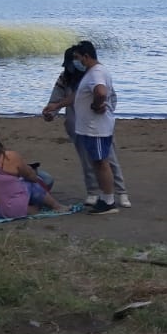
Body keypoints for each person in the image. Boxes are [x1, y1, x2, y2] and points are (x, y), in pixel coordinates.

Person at [42, 47, 130, 207]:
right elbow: (57, 97)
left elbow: (109, 96)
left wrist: (103, 107)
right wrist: (51, 111)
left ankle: (121, 192)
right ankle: (93, 192)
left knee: (109, 159)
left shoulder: (94, 74)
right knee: (88, 160)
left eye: (76, 60)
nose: (74, 65)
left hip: (99, 124)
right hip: (77, 124)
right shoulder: (65, 78)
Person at [0, 123, 64, 218]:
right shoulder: (9, 157)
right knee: (32, 183)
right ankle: (56, 206)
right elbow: (31, 177)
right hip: (8, 209)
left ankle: (29, 208)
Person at [72, 40, 121, 214]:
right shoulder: (95, 72)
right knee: (97, 161)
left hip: (96, 128)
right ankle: (104, 197)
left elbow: (101, 92)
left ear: (86, 56)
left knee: (101, 162)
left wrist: (96, 104)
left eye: (78, 58)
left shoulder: (96, 73)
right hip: (92, 127)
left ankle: (108, 201)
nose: (76, 62)